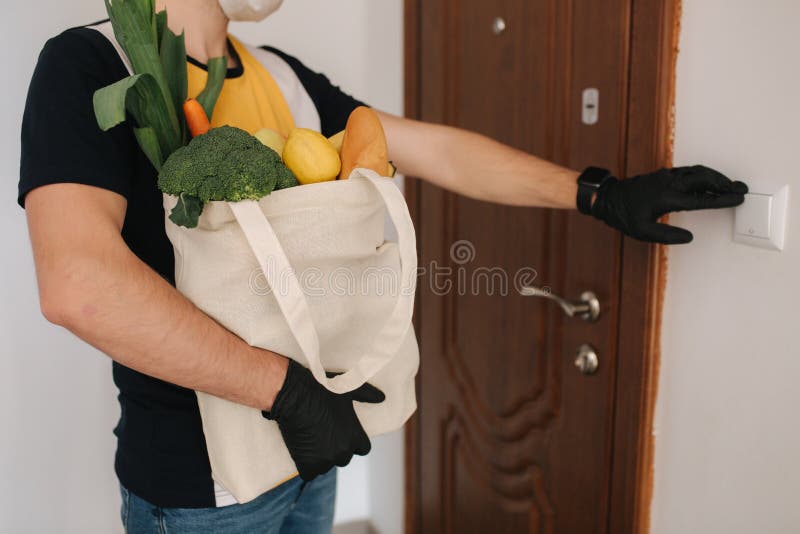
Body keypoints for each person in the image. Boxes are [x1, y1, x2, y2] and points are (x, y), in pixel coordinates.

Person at [18, 0, 747, 532]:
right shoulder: (89, 66)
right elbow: (81, 285)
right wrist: (285, 392)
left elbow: (434, 150)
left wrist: (596, 193)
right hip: (203, 487)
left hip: (313, 448)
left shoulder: (282, 77)